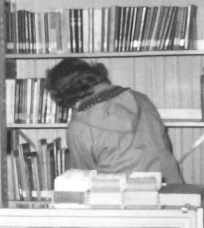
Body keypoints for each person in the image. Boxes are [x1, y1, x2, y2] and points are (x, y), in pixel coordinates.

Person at [45, 57, 184, 184]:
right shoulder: (142, 99)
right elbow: (165, 147)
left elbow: (83, 179)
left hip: (118, 203)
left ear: (64, 96)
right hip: (169, 198)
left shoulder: (78, 127)